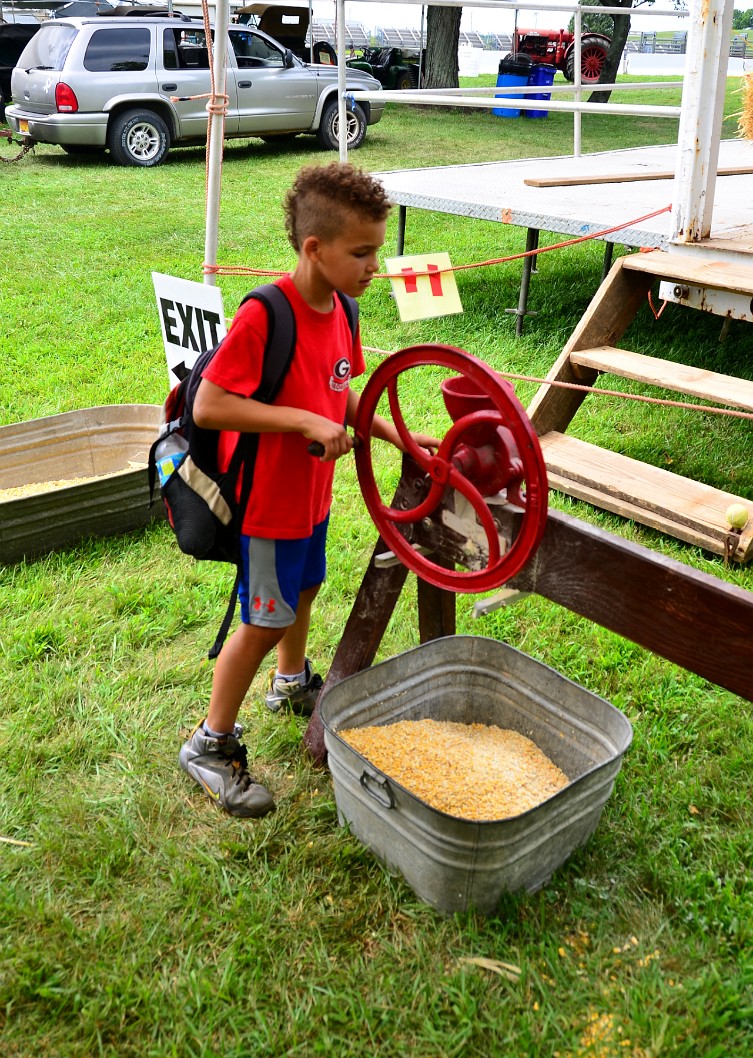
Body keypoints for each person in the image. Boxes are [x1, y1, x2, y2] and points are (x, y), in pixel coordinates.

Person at [179, 162, 439, 819]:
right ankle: (210, 744)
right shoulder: (265, 315)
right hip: (267, 506)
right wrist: (299, 421)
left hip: (312, 499)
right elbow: (210, 406)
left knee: (307, 589)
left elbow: (338, 391)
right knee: (264, 618)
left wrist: (394, 435)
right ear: (313, 249)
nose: (374, 265)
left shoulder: (343, 310)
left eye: (377, 250)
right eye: (361, 252)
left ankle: (291, 683)